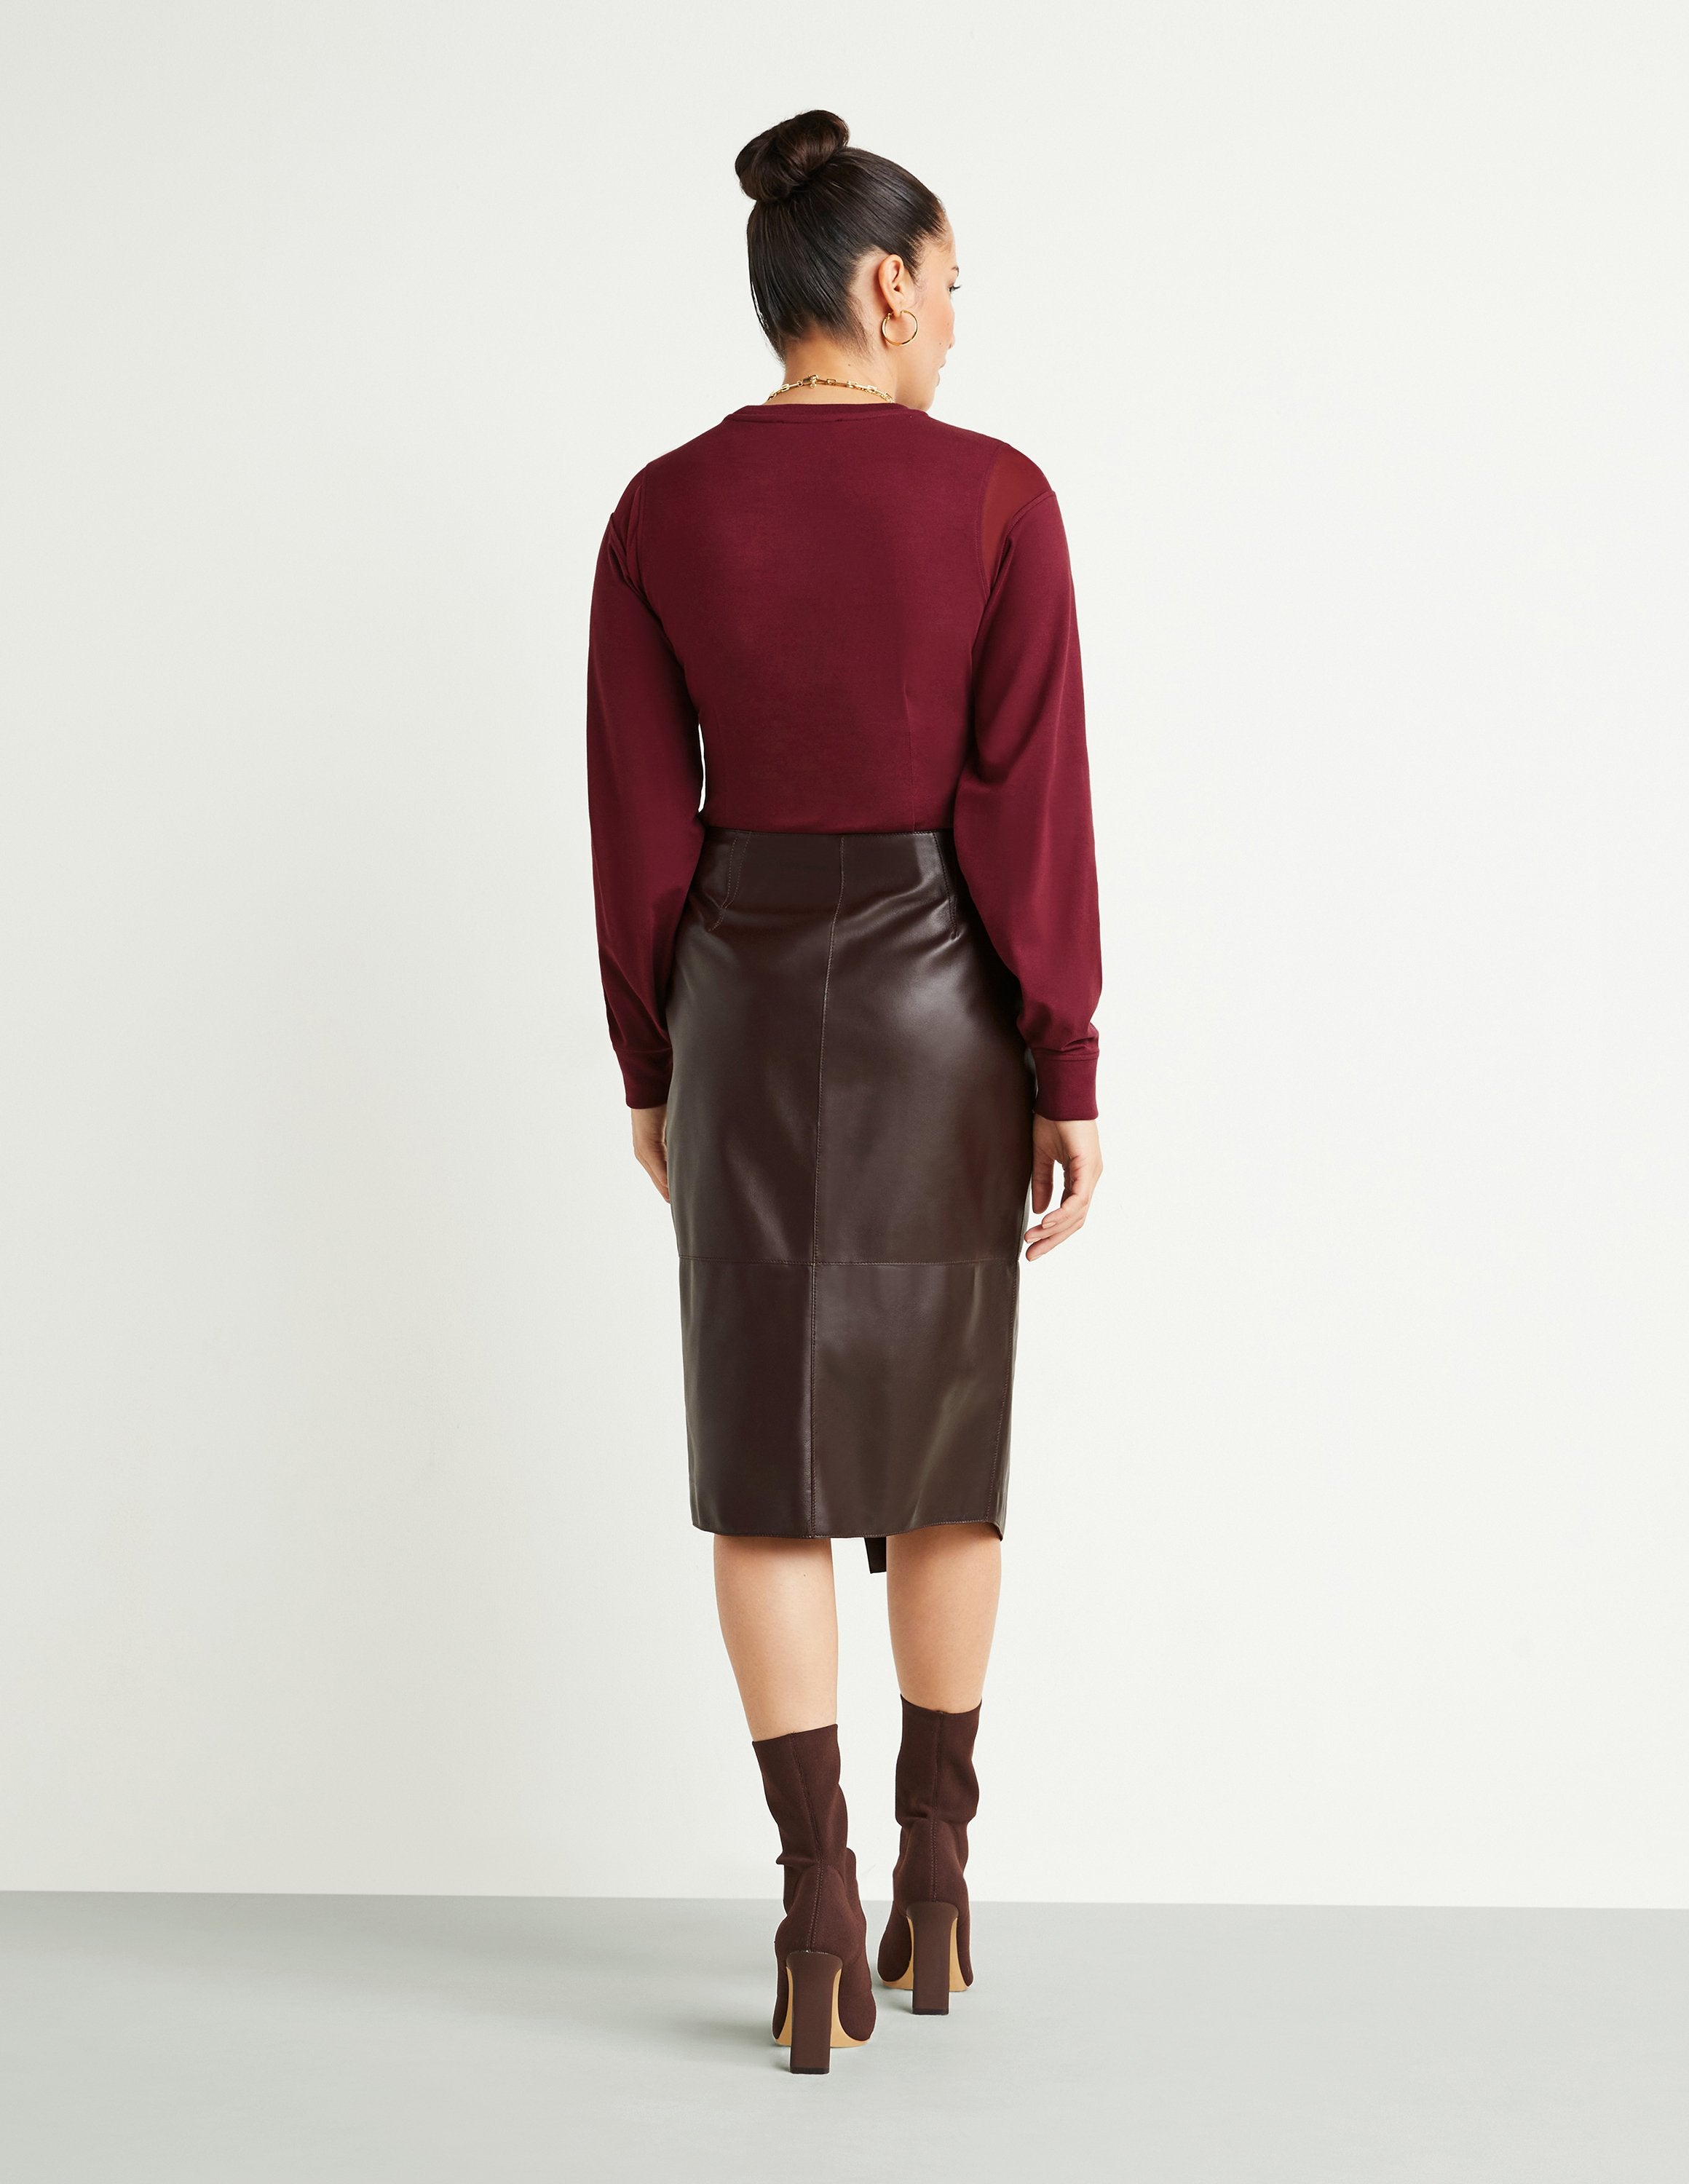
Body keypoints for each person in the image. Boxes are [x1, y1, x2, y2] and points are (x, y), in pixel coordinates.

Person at [585, 109, 1104, 2074]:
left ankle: (812, 1901)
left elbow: (641, 822)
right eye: (950, 287)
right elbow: (1029, 808)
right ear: (885, 287)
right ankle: (935, 1879)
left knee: (768, 1462)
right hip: (945, 1002)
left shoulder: (661, 509)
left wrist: (653, 1056)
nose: (956, 323)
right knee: (945, 1451)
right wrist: (1063, 1057)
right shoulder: (996, 499)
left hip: (740, 993)